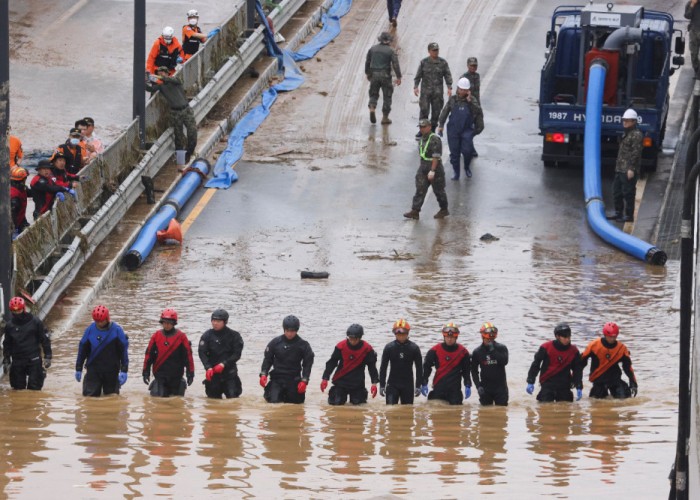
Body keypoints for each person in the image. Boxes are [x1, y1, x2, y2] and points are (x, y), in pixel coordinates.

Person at [75, 305, 129, 397]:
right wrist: (78, 368)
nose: (99, 323)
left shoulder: (117, 330)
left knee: (112, 397)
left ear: (107, 318)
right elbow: (82, 349)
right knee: (90, 397)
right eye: (97, 321)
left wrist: (124, 370)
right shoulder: (90, 330)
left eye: (101, 321)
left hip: (111, 370)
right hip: (93, 370)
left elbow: (123, 351)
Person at [145, 66, 198, 161]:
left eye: (162, 73)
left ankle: (189, 153)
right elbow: (150, 89)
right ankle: (181, 160)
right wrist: (144, 80)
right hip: (175, 113)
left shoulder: (175, 80)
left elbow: (170, 79)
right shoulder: (161, 87)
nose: (161, 75)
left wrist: (158, 77)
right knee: (178, 137)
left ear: (167, 73)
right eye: (159, 73)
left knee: (192, 133)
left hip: (186, 110)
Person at [259, 315, 315, 404]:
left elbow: (307, 364)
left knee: (295, 405)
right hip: (277, 379)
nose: (289, 334)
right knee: (274, 403)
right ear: (284, 329)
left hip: (294, 379)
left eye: (292, 331)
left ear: (297, 330)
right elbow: (267, 359)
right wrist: (263, 374)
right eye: (287, 331)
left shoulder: (304, 345)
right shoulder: (275, 343)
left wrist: (304, 380)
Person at [437, 77, 484, 180]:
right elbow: (444, 112)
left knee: (467, 151)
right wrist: (441, 126)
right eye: (461, 89)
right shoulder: (453, 100)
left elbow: (478, 111)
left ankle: (466, 167)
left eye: (465, 90)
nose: (462, 91)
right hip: (453, 130)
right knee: (454, 153)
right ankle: (456, 172)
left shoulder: (472, 100)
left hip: (466, 131)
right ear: (458, 88)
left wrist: (470, 101)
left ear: (468, 90)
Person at [320, 324, 379, 405]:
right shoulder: (340, 346)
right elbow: (332, 362)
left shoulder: (367, 349)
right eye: (350, 338)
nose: (352, 341)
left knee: (358, 407)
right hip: (340, 381)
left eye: (355, 339)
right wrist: (325, 379)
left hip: (357, 383)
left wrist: (374, 383)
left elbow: (372, 367)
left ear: (360, 338)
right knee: (335, 404)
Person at [142, 308, 195, 397]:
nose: (166, 325)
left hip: (176, 376)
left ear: (174, 323)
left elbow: (188, 357)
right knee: (158, 402)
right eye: (164, 322)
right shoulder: (156, 336)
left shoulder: (181, 337)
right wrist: (145, 372)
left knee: (176, 402)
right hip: (160, 376)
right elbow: (148, 355)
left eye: (169, 322)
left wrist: (190, 374)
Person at [2, 296, 52, 391]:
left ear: (23, 308)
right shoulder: (9, 326)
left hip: (34, 359)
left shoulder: (35, 322)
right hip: (17, 361)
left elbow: (44, 340)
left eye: (19, 311)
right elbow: (7, 344)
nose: (17, 313)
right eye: (14, 311)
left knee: (34, 388)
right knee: (17, 389)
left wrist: (48, 356)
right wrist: (6, 360)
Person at [403, 119, 449, 220]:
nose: (422, 129)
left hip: (434, 167)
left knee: (439, 190)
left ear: (429, 127)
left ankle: (444, 209)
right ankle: (415, 211)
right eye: (420, 127)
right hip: (423, 166)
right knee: (420, 189)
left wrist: (432, 170)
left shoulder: (435, 139)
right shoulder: (422, 139)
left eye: (423, 127)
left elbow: (436, 157)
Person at [526, 323, 583, 402]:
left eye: (569, 337)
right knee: (544, 410)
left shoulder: (574, 351)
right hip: (547, 384)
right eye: (565, 337)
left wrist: (579, 386)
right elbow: (536, 364)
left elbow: (577, 370)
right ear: (557, 336)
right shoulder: (545, 347)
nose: (567, 339)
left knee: (565, 411)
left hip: (565, 386)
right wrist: (530, 381)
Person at [581, 322, 638, 399]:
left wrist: (633, 383)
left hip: (615, 379)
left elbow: (628, 367)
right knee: (595, 402)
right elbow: (581, 363)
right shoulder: (594, 345)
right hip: (599, 380)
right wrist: (577, 380)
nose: (612, 339)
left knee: (625, 398)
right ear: (605, 335)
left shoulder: (621, 348)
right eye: (610, 337)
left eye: (614, 337)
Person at [198, 309, 244, 399]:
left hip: (230, 374)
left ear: (225, 322)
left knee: (233, 400)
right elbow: (202, 352)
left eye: (218, 321)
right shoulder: (207, 336)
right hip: (213, 374)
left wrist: (224, 364)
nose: (215, 323)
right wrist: (208, 367)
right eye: (213, 320)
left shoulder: (234, 336)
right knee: (212, 402)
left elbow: (237, 354)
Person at [606, 109, 643, 223]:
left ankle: (629, 215)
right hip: (620, 168)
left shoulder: (636, 135)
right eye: (624, 120)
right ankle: (618, 213)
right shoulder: (626, 133)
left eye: (627, 121)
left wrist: (631, 168)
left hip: (628, 169)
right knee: (616, 191)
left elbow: (635, 153)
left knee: (628, 192)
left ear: (633, 121)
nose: (624, 122)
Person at [421, 322, 472, 405]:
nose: (449, 339)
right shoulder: (434, 350)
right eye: (448, 337)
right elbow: (427, 366)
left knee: (456, 412)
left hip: (454, 390)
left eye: (452, 337)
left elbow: (466, 371)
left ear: (456, 337)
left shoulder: (463, 352)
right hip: (438, 388)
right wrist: (424, 382)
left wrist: (468, 384)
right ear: (444, 336)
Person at [379, 319, 423, 405]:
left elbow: (419, 368)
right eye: (398, 334)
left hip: (408, 385)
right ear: (395, 334)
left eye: (403, 334)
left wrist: (418, 385)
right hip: (392, 384)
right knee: (390, 411)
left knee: (408, 412)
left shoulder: (414, 348)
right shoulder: (389, 348)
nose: (401, 336)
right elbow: (383, 367)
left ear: (407, 333)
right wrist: (382, 385)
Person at [413, 42, 453, 137]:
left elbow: (447, 75)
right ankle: (422, 130)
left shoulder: (443, 63)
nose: (436, 52)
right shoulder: (424, 62)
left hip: (437, 93)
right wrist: (415, 87)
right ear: (429, 51)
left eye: (437, 50)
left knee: (436, 112)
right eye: (434, 50)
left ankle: (432, 130)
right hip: (425, 93)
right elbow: (418, 76)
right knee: (424, 111)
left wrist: (449, 87)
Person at [365, 32, 402, 125]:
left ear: (380, 39)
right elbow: (395, 64)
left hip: (374, 75)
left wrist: (368, 73)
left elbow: (367, 62)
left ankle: (372, 107)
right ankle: (385, 117)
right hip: (385, 76)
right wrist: (399, 76)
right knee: (387, 96)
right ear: (389, 41)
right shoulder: (391, 51)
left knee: (373, 94)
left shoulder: (372, 49)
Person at [470, 322, 509, 406]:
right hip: (485, 389)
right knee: (484, 415)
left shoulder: (502, 348)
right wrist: (478, 386)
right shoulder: (477, 352)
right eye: (487, 339)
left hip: (501, 388)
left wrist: (493, 351)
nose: (489, 341)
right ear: (482, 336)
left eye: (491, 339)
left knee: (501, 414)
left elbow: (504, 362)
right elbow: (474, 371)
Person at [461, 56, 481, 157]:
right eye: (471, 65)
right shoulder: (464, 78)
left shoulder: (477, 76)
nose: (473, 67)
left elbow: (477, 93)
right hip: (467, 107)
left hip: (476, 106)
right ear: (468, 66)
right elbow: (459, 93)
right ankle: (470, 148)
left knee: (479, 127)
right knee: (469, 128)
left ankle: (466, 143)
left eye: (475, 65)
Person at [10, 166, 30, 236]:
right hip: (12, 225)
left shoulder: (21, 188)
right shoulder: (14, 195)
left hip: (20, 220)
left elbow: (30, 192)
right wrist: (14, 228)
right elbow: (13, 214)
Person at [686, 0, 700, 78]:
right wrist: (692, 5)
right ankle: (696, 70)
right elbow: (687, 15)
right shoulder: (691, 3)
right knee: (693, 53)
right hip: (694, 31)